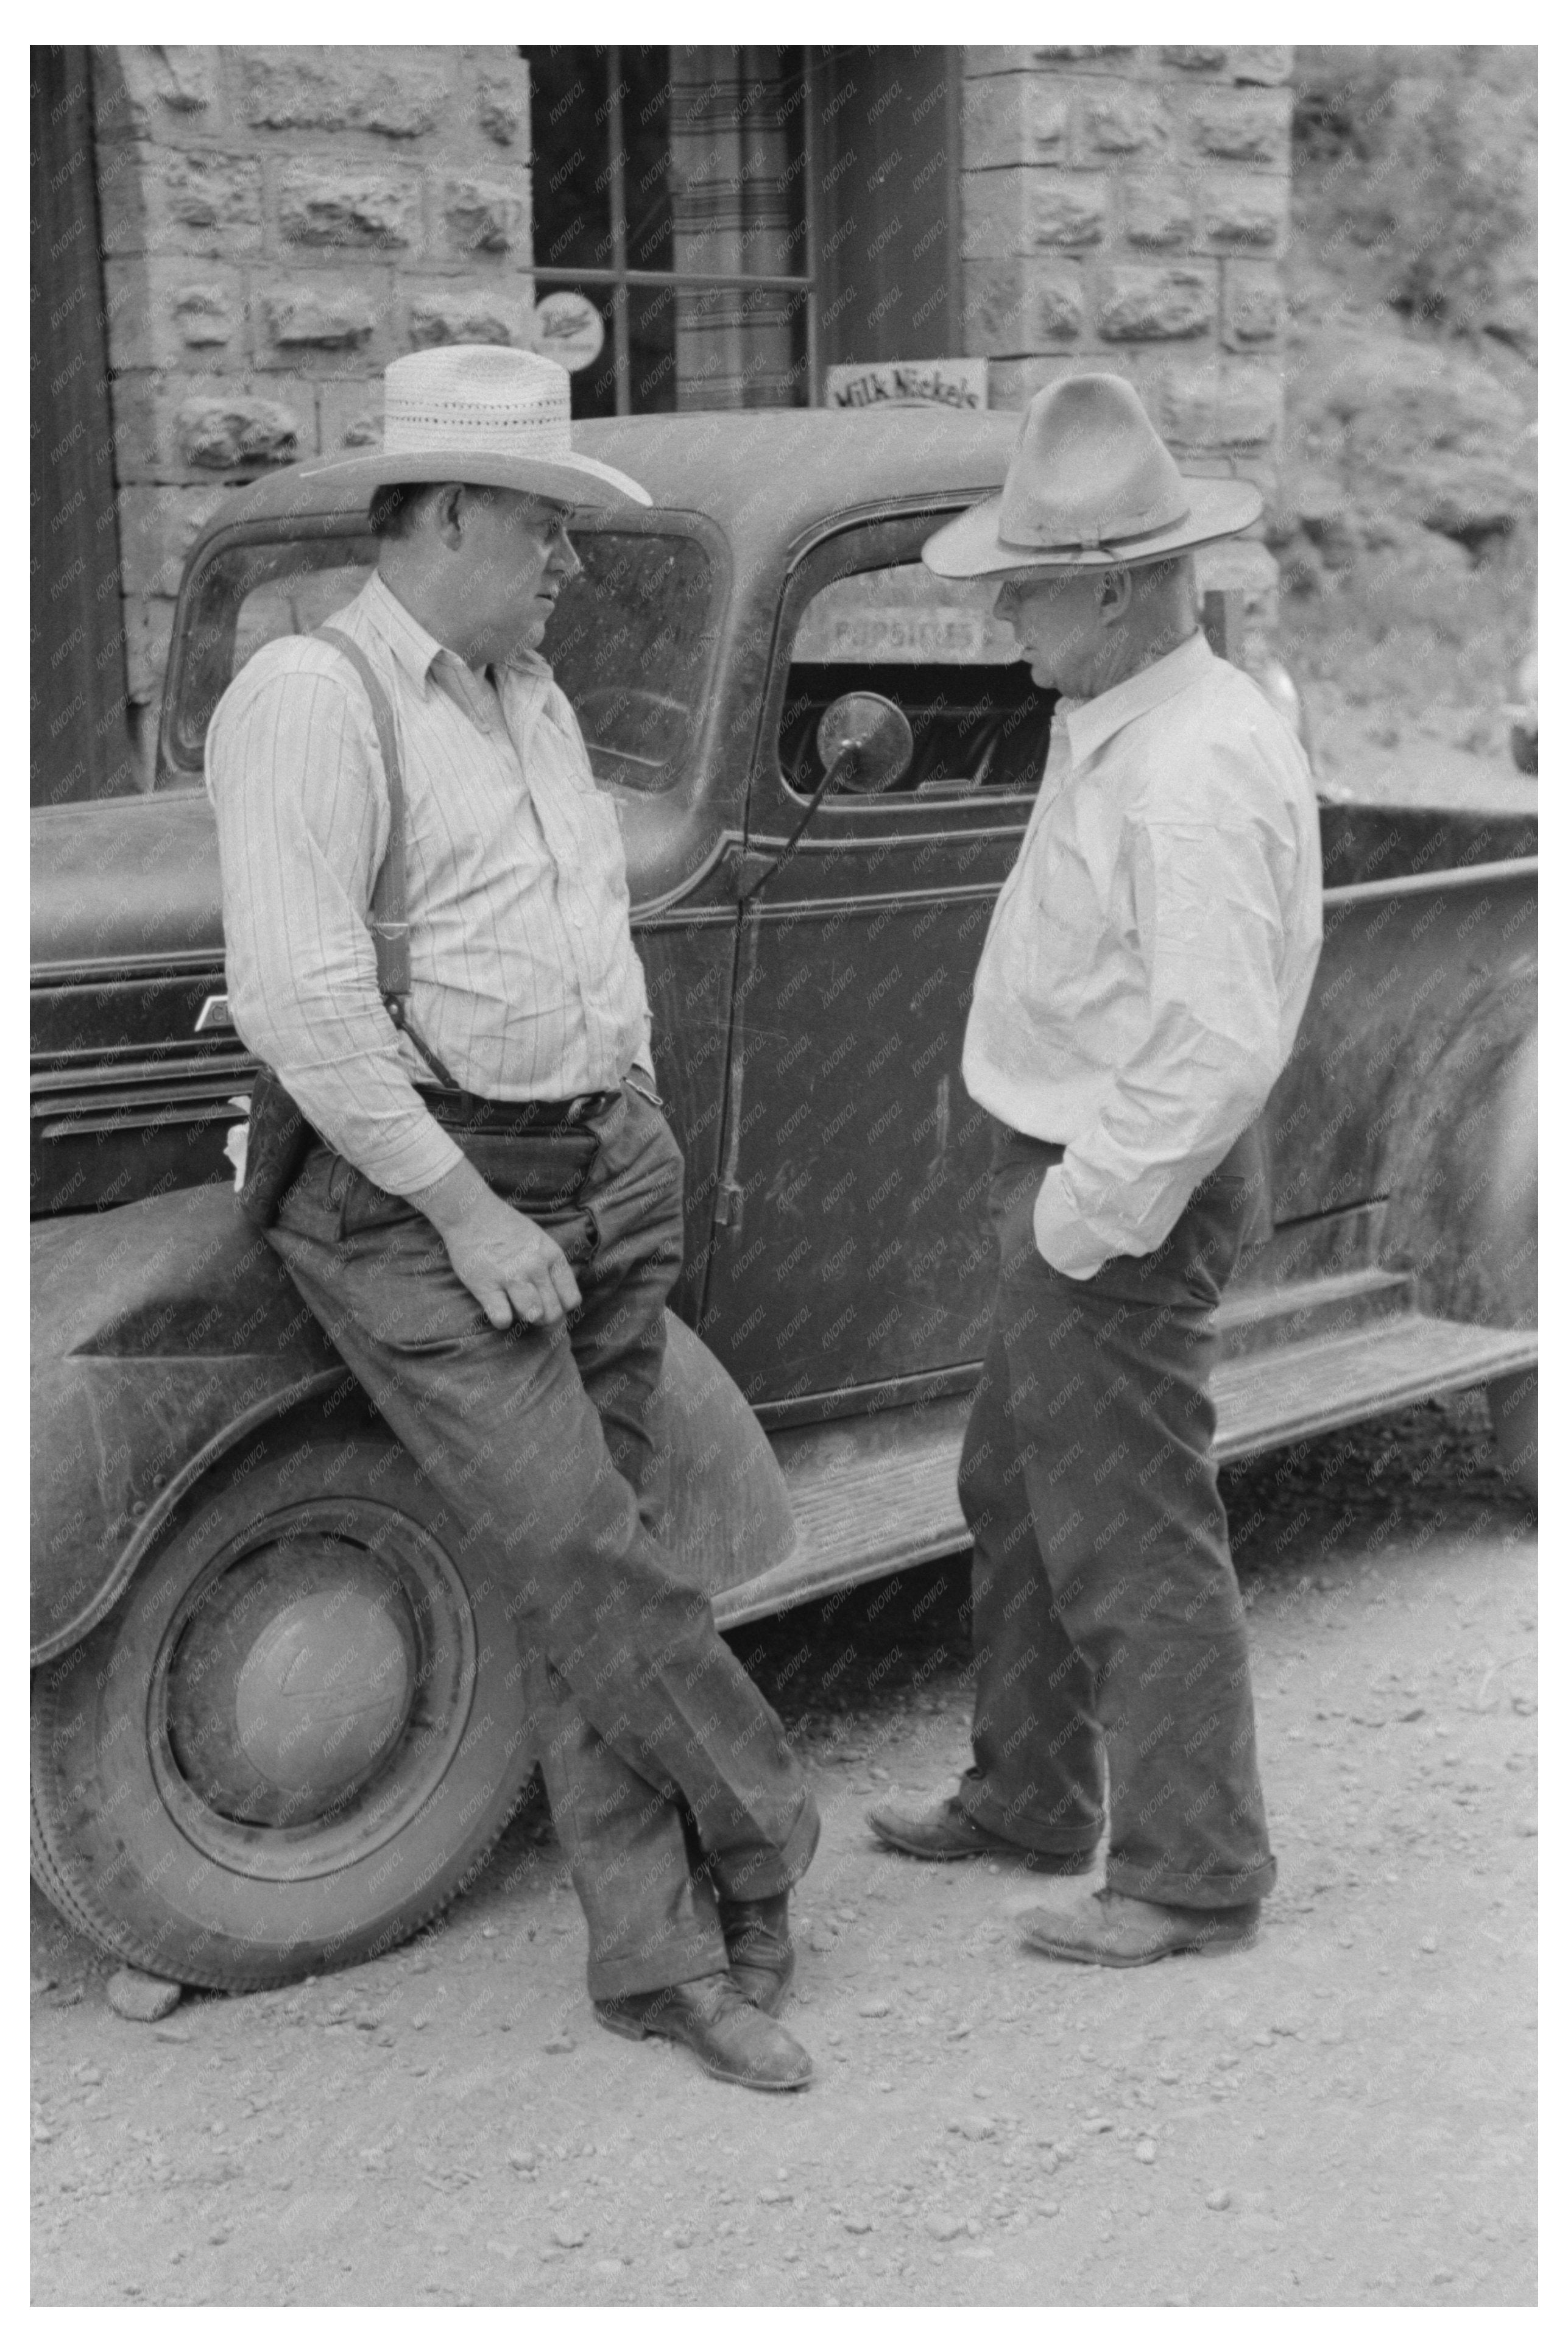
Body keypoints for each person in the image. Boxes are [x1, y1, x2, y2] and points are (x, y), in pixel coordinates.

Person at [207, 345, 818, 2088]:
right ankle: (772, 1830)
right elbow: (305, 1004)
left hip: (602, 1165)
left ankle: (657, 1959)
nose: (566, 564)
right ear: (455, 512)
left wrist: (628, 1131)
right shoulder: (314, 700)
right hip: (432, 1201)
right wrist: (473, 1210)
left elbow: (558, 928)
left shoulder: (524, 685)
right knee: (586, 1553)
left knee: (594, 1570)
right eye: (545, 528)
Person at [867, 373, 1323, 1967]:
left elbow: (1208, 1043)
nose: (1006, 616)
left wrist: (1079, 1213)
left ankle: (1193, 1871)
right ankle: (1035, 1791)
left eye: (1030, 586)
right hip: (1097, 1165)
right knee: (1021, 1484)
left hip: (1120, 1177)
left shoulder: (1188, 763)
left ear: (1125, 585)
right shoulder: (1143, 713)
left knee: (1131, 1522)